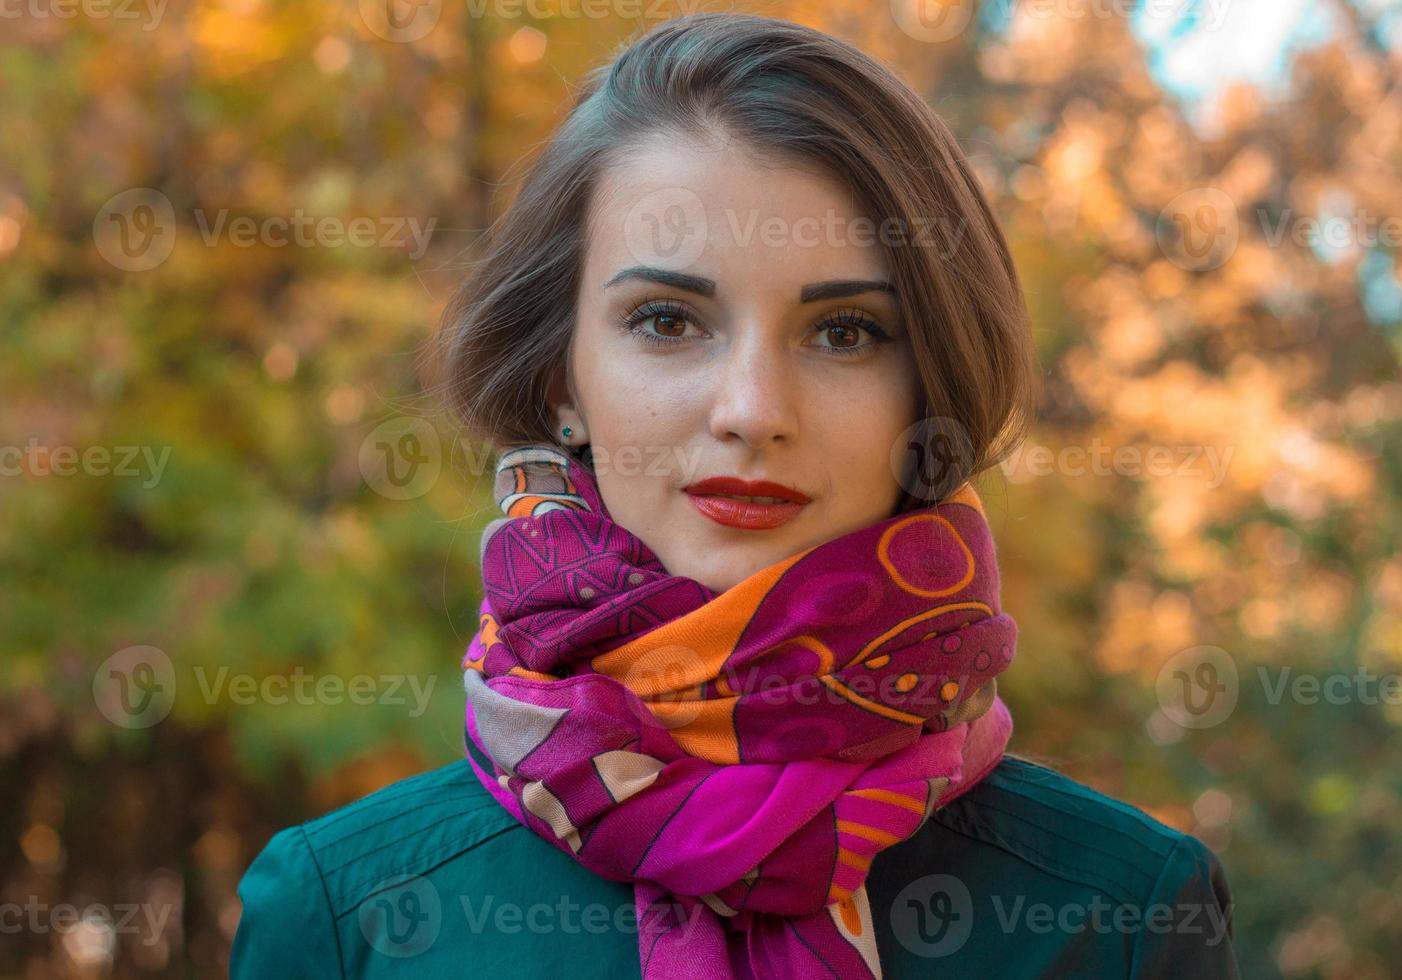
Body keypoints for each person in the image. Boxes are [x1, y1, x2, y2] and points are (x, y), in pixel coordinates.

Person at [231, 12, 1239, 978]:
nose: (754, 409)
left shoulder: (1124, 915)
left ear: (928, 392)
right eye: (668, 321)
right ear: (558, 377)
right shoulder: (343, 915)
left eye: (845, 332)